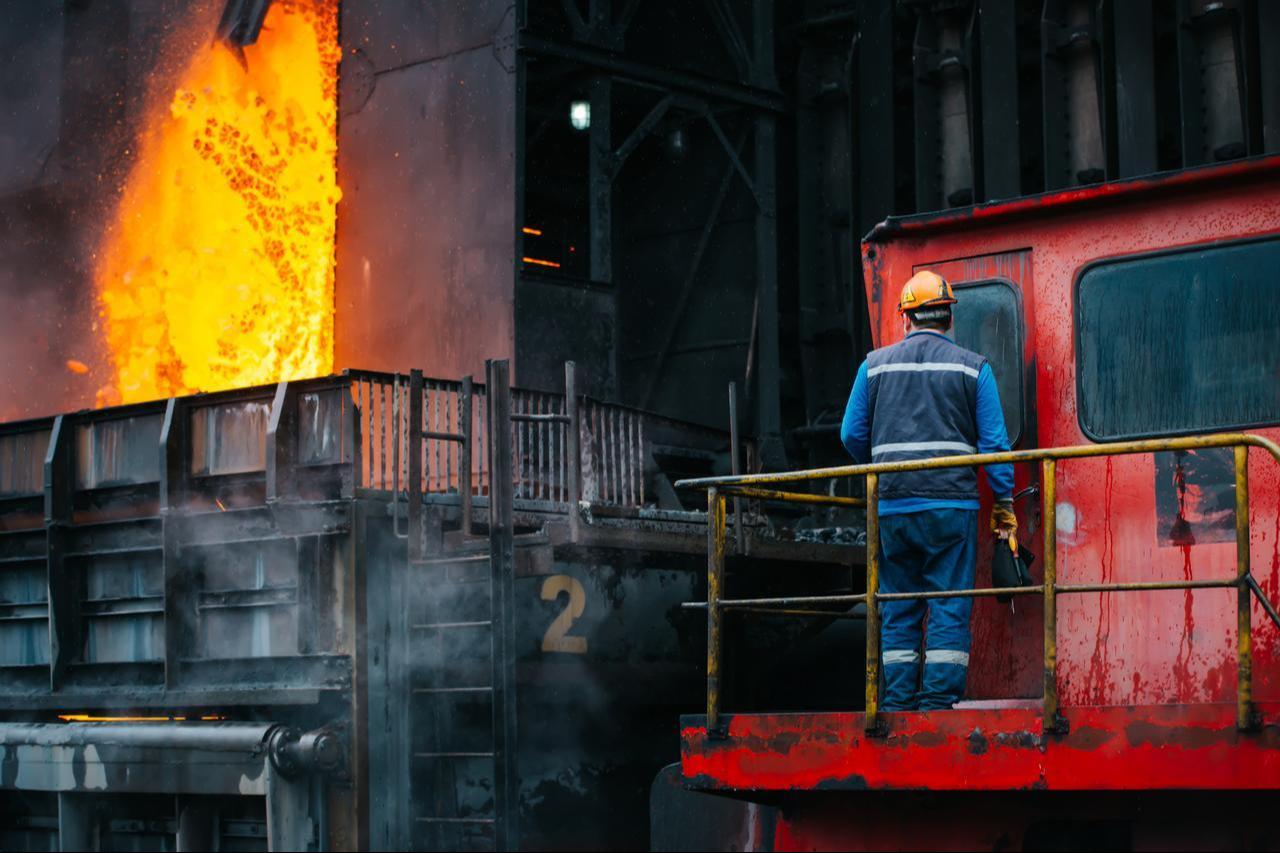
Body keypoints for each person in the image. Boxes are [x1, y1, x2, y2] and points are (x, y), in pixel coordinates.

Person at [839, 270, 1017, 711]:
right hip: (950, 509)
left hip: (893, 508)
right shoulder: (974, 369)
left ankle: (897, 704)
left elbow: (850, 434)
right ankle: (936, 703)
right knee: (948, 605)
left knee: (898, 606)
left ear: (905, 319)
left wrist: (885, 467)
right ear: (948, 320)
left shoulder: (873, 366)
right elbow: (995, 445)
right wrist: (1005, 504)